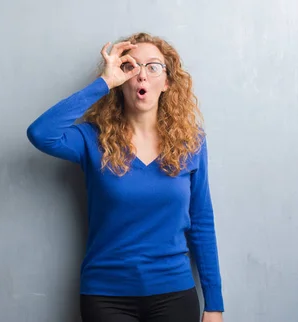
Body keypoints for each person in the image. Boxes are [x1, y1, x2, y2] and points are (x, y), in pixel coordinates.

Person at [26, 32, 225, 322]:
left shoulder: (191, 143)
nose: (142, 76)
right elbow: (41, 133)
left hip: (174, 294)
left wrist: (214, 304)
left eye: (153, 67)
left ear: (167, 82)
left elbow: (202, 223)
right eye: (132, 67)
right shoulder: (92, 139)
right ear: (122, 80)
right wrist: (104, 83)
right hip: (106, 296)